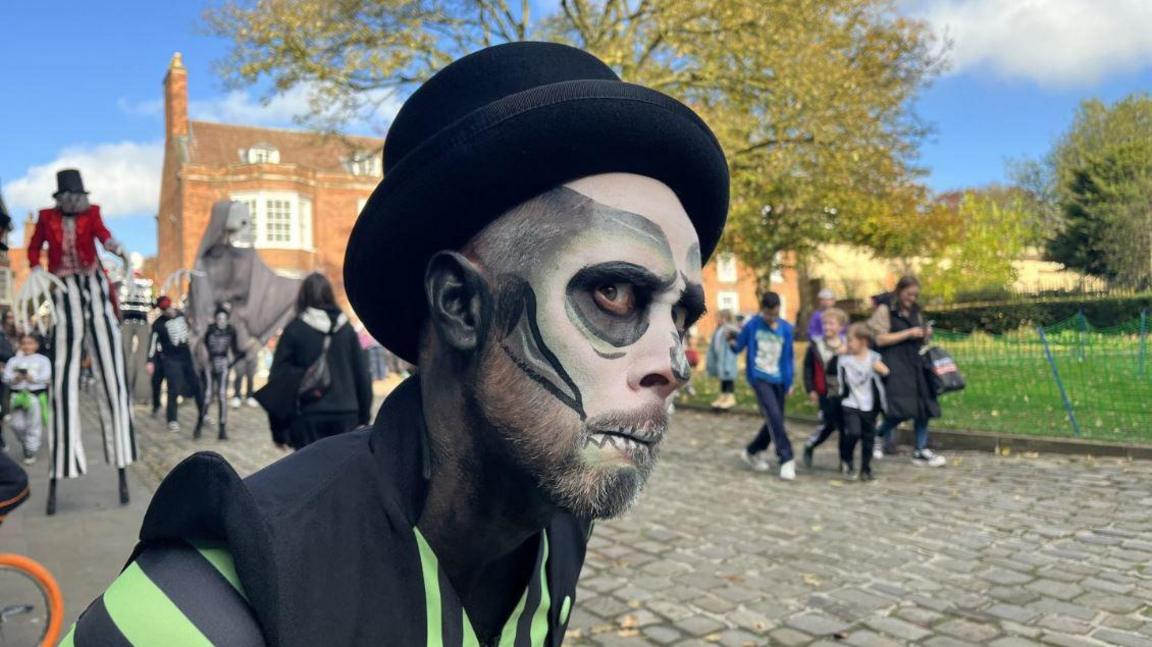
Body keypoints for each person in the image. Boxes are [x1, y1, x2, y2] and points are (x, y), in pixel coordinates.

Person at [65, 41, 728, 645]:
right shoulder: (202, 606)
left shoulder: (556, 528)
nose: (674, 362)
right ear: (460, 304)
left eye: (682, 316)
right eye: (614, 293)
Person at [28, 169, 136, 486]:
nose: (74, 202)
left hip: (94, 284)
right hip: (64, 288)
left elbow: (103, 235)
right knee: (64, 369)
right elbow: (36, 247)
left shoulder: (93, 213)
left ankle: (123, 451)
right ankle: (64, 459)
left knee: (112, 366)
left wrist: (116, 247)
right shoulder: (47, 217)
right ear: (61, 198)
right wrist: (35, 268)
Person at [268, 273, 372, 450]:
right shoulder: (347, 330)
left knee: (310, 475)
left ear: (303, 296)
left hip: (308, 415)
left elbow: (278, 381)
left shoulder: (295, 330)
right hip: (346, 413)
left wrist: (278, 429)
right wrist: (363, 417)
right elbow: (362, 374)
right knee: (343, 475)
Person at [868, 276, 946, 467]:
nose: (912, 298)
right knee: (900, 409)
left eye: (915, 295)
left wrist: (925, 335)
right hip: (894, 363)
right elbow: (879, 339)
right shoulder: (885, 310)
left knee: (923, 406)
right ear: (899, 291)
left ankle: (920, 448)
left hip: (915, 362)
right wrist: (908, 333)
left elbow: (920, 338)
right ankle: (875, 435)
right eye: (908, 294)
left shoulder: (916, 312)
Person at [733, 292, 797, 480]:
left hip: (779, 379)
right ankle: (786, 458)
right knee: (774, 417)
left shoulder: (786, 328)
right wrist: (730, 339)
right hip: (760, 378)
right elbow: (738, 346)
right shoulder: (752, 325)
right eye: (768, 315)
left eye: (775, 314)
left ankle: (752, 451)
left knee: (774, 419)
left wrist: (790, 381)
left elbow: (789, 357)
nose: (771, 318)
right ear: (762, 310)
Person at [837, 323, 889, 481]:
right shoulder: (844, 359)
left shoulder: (873, 358)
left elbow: (886, 372)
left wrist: (882, 371)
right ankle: (847, 458)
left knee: (869, 438)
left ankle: (865, 468)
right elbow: (834, 374)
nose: (848, 344)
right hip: (850, 403)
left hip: (869, 404)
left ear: (863, 341)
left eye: (851, 340)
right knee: (853, 432)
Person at [148, 297, 205, 437]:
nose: (170, 311)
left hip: (186, 356)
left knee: (197, 385)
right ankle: (172, 419)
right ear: (162, 311)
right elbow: (152, 343)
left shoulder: (181, 315)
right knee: (173, 388)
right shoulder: (158, 324)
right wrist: (149, 360)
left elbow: (191, 327)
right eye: (166, 310)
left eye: (170, 308)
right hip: (171, 359)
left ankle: (204, 413)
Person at [801, 307, 848, 468]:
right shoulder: (816, 346)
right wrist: (811, 389)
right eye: (825, 324)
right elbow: (808, 368)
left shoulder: (847, 345)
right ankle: (810, 445)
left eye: (831, 324)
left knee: (844, 427)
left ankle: (844, 460)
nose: (827, 327)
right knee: (828, 425)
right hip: (824, 392)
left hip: (844, 393)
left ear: (841, 327)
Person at [2, 334, 51, 465]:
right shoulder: (13, 361)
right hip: (17, 396)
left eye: (30, 343)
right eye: (24, 343)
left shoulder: (43, 360)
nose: (27, 346)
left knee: (34, 424)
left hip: (34, 396)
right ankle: (27, 443)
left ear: (36, 345)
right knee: (16, 424)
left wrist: (32, 378)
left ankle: (31, 450)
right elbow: (6, 377)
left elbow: (46, 377)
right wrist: (16, 378)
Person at [203, 305, 243, 440]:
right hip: (210, 364)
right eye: (219, 318)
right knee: (208, 394)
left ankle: (222, 428)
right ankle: (200, 422)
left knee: (222, 395)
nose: (221, 321)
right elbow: (206, 346)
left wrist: (235, 359)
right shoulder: (210, 330)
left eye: (224, 318)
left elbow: (236, 349)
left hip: (223, 364)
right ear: (215, 319)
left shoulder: (231, 330)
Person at [706, 309, 740, 410]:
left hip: (728, 359)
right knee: (723, 379)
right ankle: (723, 396)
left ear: (725, 318)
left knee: (729, 378)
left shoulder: (730, 329)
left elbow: (735, 341)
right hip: (720, 358)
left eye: (718, 318)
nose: (717, 320)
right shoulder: (719, 329)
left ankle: (730, 397)